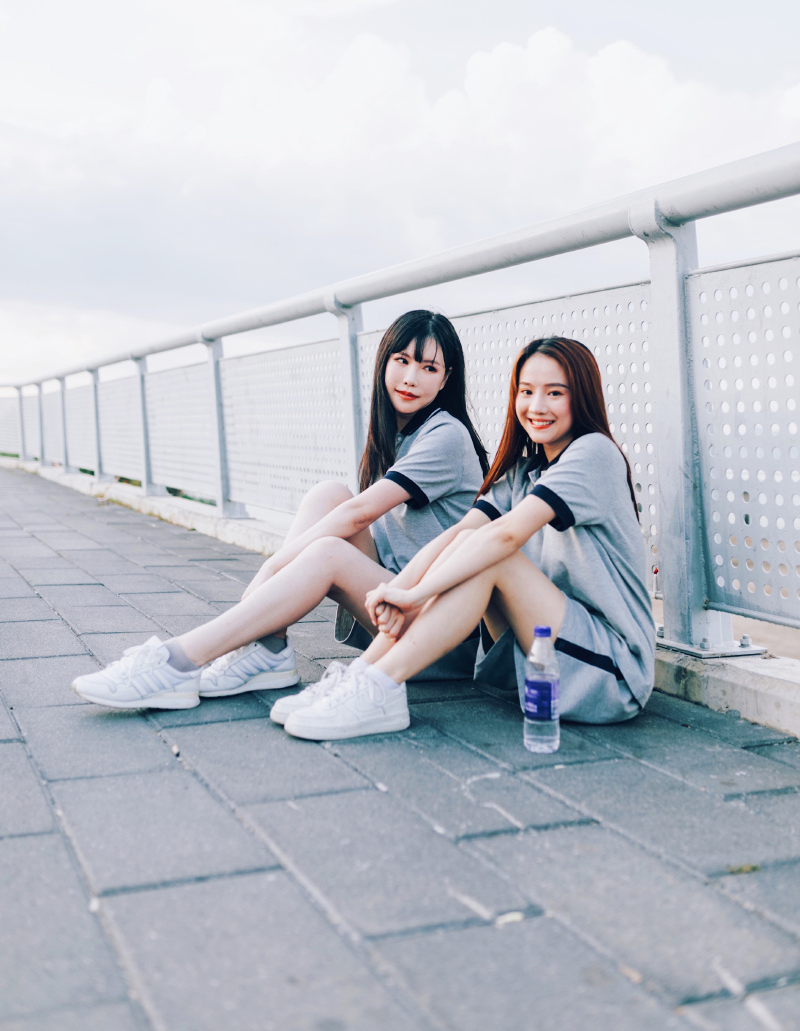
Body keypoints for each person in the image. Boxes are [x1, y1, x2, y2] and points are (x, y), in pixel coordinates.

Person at [71, 310, 488, 711]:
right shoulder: (398, 433)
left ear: (446, 378)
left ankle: (178, 661)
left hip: (437, 637)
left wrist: (273, 566)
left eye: (429, 368)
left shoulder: (447, 436)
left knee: (329, 550)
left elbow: (360, 515)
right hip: (395, 607)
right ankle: (269, 648)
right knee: (329, 494)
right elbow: (352, 513)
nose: (411, 377)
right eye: (402, 361)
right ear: (384, 363)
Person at [280, 336, 656, 741]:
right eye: (526, 391)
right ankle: (362, 675)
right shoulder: (522, 473)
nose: (537, 406)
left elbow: (506, 536)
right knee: (468, 543)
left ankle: (381, 686)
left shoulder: (595, 453)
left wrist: (415, 595)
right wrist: (400, 590)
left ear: (581, 397)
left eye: (555, 393)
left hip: (612, 672)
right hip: (542, 651)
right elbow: (458, 534)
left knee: (493, 553)